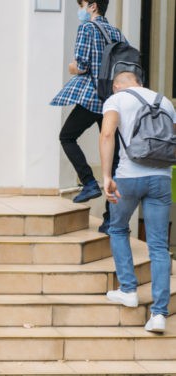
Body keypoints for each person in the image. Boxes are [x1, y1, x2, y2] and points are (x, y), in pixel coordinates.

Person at [99, 69, 175, 333]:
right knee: (158, 246)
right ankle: (159, 315)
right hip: (162, 179)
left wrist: (107, 175)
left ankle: (129, 289)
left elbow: (107, 134)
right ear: (141, 82)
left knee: (118, 228)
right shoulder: (164, 101)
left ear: (117, 86)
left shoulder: (117, 100)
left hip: (128, 177)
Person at [51, 0, 124, 233]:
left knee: (66, 136)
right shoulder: (115, 31)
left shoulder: (87, 28)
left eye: (81, 4)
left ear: (93, 6)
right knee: (113, 155)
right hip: (111, 100)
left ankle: (89, 182)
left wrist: (73, 67)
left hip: (92, 97)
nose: (80, 10)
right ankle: (110, 219)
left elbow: (81, 64)